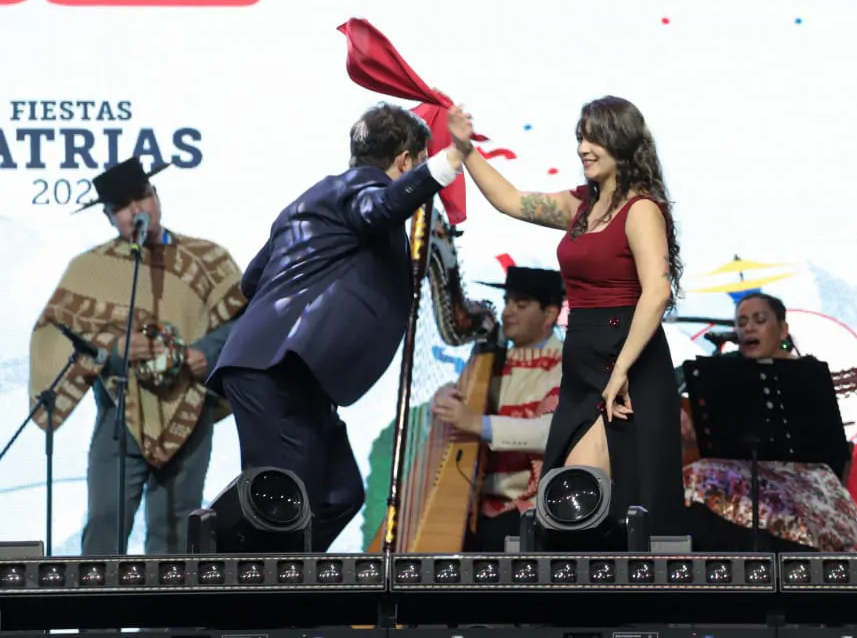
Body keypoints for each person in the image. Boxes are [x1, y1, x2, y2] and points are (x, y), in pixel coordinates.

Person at [210, 102, 474, 551]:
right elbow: (379, 209)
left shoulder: (312, 201)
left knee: (338, 495)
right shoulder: (361, 188)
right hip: (275, 372)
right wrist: (452, 158)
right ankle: (239, 587)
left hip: (293, 375)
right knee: (286, 506)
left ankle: (285, 587)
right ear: (406, 161)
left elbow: (251, 281)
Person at [462, 95, 685, 538]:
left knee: (604, 507)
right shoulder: (581, 206)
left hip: (627, 362)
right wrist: (466, 150)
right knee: (575, 502)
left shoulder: (640, 208)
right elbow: (510, 200)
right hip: (584, 363)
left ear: (621, 142)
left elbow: (657, 291)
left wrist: (621, 371)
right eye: (580, 137)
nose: (583, 147)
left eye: (594, 137)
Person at [28, 157, 245, 555]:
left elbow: (247, 321)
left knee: (178, 534)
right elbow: (56, 332)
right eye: (122, 207)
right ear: (110, 218)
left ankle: (166, 620)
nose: (136, 211)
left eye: (141, 198)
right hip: (120, 414)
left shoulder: (208, 259)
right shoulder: (91, 269)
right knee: (105, 525)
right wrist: (112, 350)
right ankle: (97, 620)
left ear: (156, 197)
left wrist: (208, 352)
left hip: (188, 410)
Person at [680, 293, 857, 551]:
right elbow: (669, 380)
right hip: (740, 474)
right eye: (742, 322)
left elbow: (827, 448)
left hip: (801, 480)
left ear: (782, 330)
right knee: (695, 475)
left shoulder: (805, 371)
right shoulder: (724, 368)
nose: (748, 328)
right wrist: (677, 409)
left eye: (759, 320)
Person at [430, 266, 565, 551]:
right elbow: (460, 418)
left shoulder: (565, 365)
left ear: (550, 315)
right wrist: (446, 400)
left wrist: (476, 422)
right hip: (480, 506)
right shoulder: (490, 360)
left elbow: (550, 433)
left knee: (487, 542)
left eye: (521, 304)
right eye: (506, 303)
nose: (507, 313)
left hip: (534, 508)